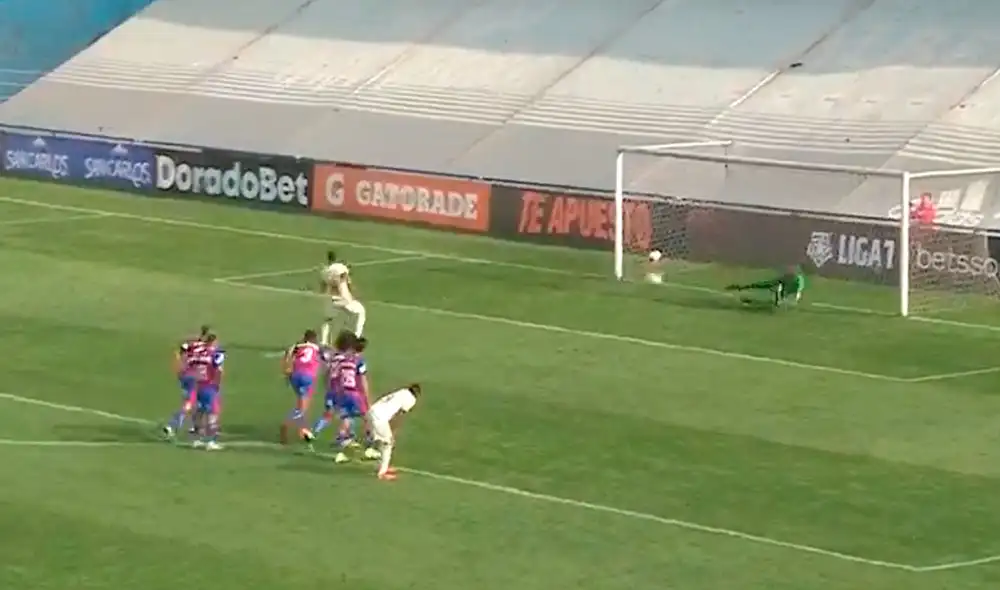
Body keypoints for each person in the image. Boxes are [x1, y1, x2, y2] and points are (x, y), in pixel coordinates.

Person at [163, 325, 210, 440]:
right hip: (196, 379)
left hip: (187, 377)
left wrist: (180, 366)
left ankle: (195, 426)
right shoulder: (207, 349)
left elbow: (181, 350)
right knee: (192, 403)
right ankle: (172, 425)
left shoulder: (193, 345)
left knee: (199, 404)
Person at [367, 384, 421, 481]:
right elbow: (400, 416)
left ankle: (381, 466)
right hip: (380, 418)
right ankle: (382, 473)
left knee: (382, 442)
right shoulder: (411, 399)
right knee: (388, 443)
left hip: (372, 411)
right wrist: (393, 432)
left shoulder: (402, 391)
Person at [280, 329, 322, 445]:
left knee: (301, 403)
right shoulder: (317, 348)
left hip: (295, 376)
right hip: (308, 377)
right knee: (303, 407)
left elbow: (287, 355)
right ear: (314, 339)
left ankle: (302, 430)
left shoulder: (297, 346)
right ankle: (286, 424)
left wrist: (286, 371)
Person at [320, 250, 366, 345]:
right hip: (344, 299)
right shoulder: (341, 268)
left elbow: (323, 285)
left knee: (328, 320)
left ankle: (323, 341)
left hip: (331, 298)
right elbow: (345, 279)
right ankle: (356, 336)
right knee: (360, 311)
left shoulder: (325, 271)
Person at [725, 265, 805, 309]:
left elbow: (794, 293)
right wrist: (746, 286)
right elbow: (770, 283)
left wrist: (781, 297)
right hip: (785, 295)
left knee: (773, 300)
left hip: (790, 298)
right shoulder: (787, 277)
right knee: (771, 289)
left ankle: (753, 302)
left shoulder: (797, 281)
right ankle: (744, 292)